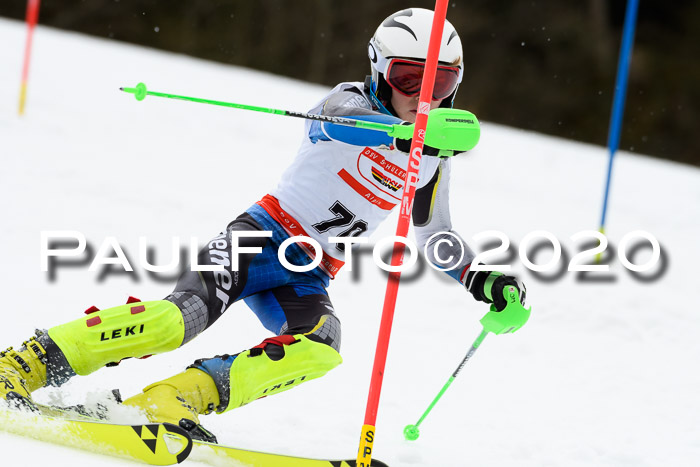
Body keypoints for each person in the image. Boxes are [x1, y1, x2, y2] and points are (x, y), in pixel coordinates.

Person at [0, 8, 526, 442]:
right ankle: (27, 363)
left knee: (321, 347)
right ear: (378, 72)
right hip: (258, 236)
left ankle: (166, 403)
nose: (424, 95)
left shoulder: (434, 158)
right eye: (409, 79)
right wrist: (403, 134)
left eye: (442, 81)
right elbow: (334, 121)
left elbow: (436, 237)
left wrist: (483, 279)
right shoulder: (350, 103)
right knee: (176, 320)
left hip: (309, 270)